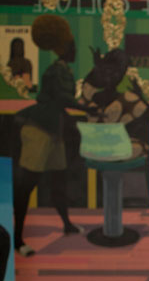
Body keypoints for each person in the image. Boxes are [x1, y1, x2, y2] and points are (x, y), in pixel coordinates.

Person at [12, 15, 90, 256]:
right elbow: (62, 99)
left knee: (59, 178)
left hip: (53, 128)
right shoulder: (57, 71)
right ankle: (17, 240)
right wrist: (87, 108)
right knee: (28, 184)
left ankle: (66, 224)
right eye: (73, 46)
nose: (76, 50)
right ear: (64, 47)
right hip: (39, 129)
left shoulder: (63, 69)